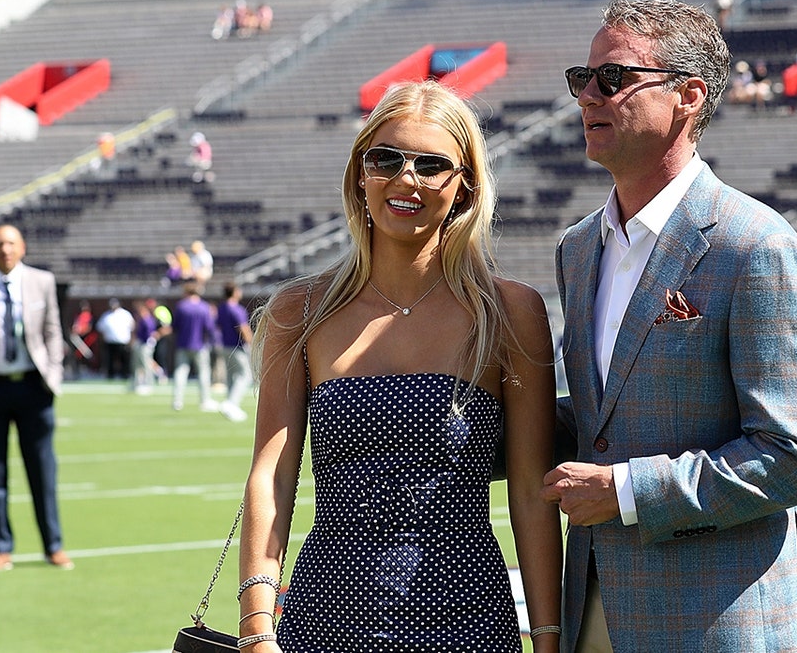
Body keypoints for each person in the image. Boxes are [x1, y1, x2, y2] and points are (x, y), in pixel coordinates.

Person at [542, 0, 797, 652]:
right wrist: (468, 423)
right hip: (594, 608)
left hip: (718, 623)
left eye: (612, 78)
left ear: (688, 96)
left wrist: (627, 491)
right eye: (581, 78)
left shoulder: (755, 244)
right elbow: (603, 417)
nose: (589, 95)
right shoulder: (578, 247)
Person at [238, 80, 562, 652]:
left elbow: (532, 496)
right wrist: (257, 625)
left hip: (464, 611)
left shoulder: (510, 312)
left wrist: (547, 638)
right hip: (326, 612)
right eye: (386, 158)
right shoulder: (301, 310)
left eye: (432, 164)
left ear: (464, 187)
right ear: (360, 174)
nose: (405, 178)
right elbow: (273, 473)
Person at [0, 225, 72, 571]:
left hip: (34, 388)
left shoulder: (42, 281)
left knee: (42, 469)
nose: (5, 250)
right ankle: (0, 548)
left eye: (10, 243)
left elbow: (53, 330)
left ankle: (53, 545)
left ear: (22, 248)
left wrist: (52, 372)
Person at [170, 281, 217, 412]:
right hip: (200, 345)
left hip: (183, 344)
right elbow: (209, 327)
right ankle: (205, 400)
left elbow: (174, 327)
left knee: (180, 372)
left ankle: (177, 401)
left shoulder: (181, 306)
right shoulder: (204, 307)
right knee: (203, 373)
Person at [216, 282, 252, 422]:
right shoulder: (236, 309)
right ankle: (231, 403)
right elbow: (243, 329)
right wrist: (253, 343)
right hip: (237, 347)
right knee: (245, 375)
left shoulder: (222, 308)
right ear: (235, 292)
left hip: (225, 345)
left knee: (231, 376)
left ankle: (231, 405)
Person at [96, 297, 135, 380]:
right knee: (110, 360)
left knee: (124, 360)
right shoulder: (106, 315)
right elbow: (100, 328)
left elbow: (132, 328)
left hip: (123, 341)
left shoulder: (125, 314)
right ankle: (111, 376)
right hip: (110, 342)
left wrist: (131, 341)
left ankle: (125, 375)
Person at [130, 298, 164, 394]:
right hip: (140, 343)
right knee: (137, 364)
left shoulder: (147, 320)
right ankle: (136, 383)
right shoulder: (141, 320)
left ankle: (149, 383)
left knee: (146, 364)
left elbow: (150, 333)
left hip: (146, 344)